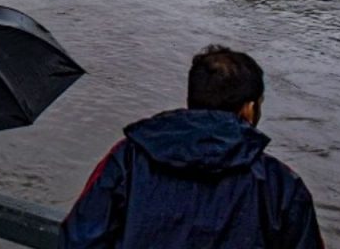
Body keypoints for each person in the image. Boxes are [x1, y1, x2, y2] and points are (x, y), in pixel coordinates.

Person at [59, 45, 324, 249]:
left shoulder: (128, 158)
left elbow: (79, 239)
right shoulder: (280, 185)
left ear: (192, 99)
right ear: (249, 108)